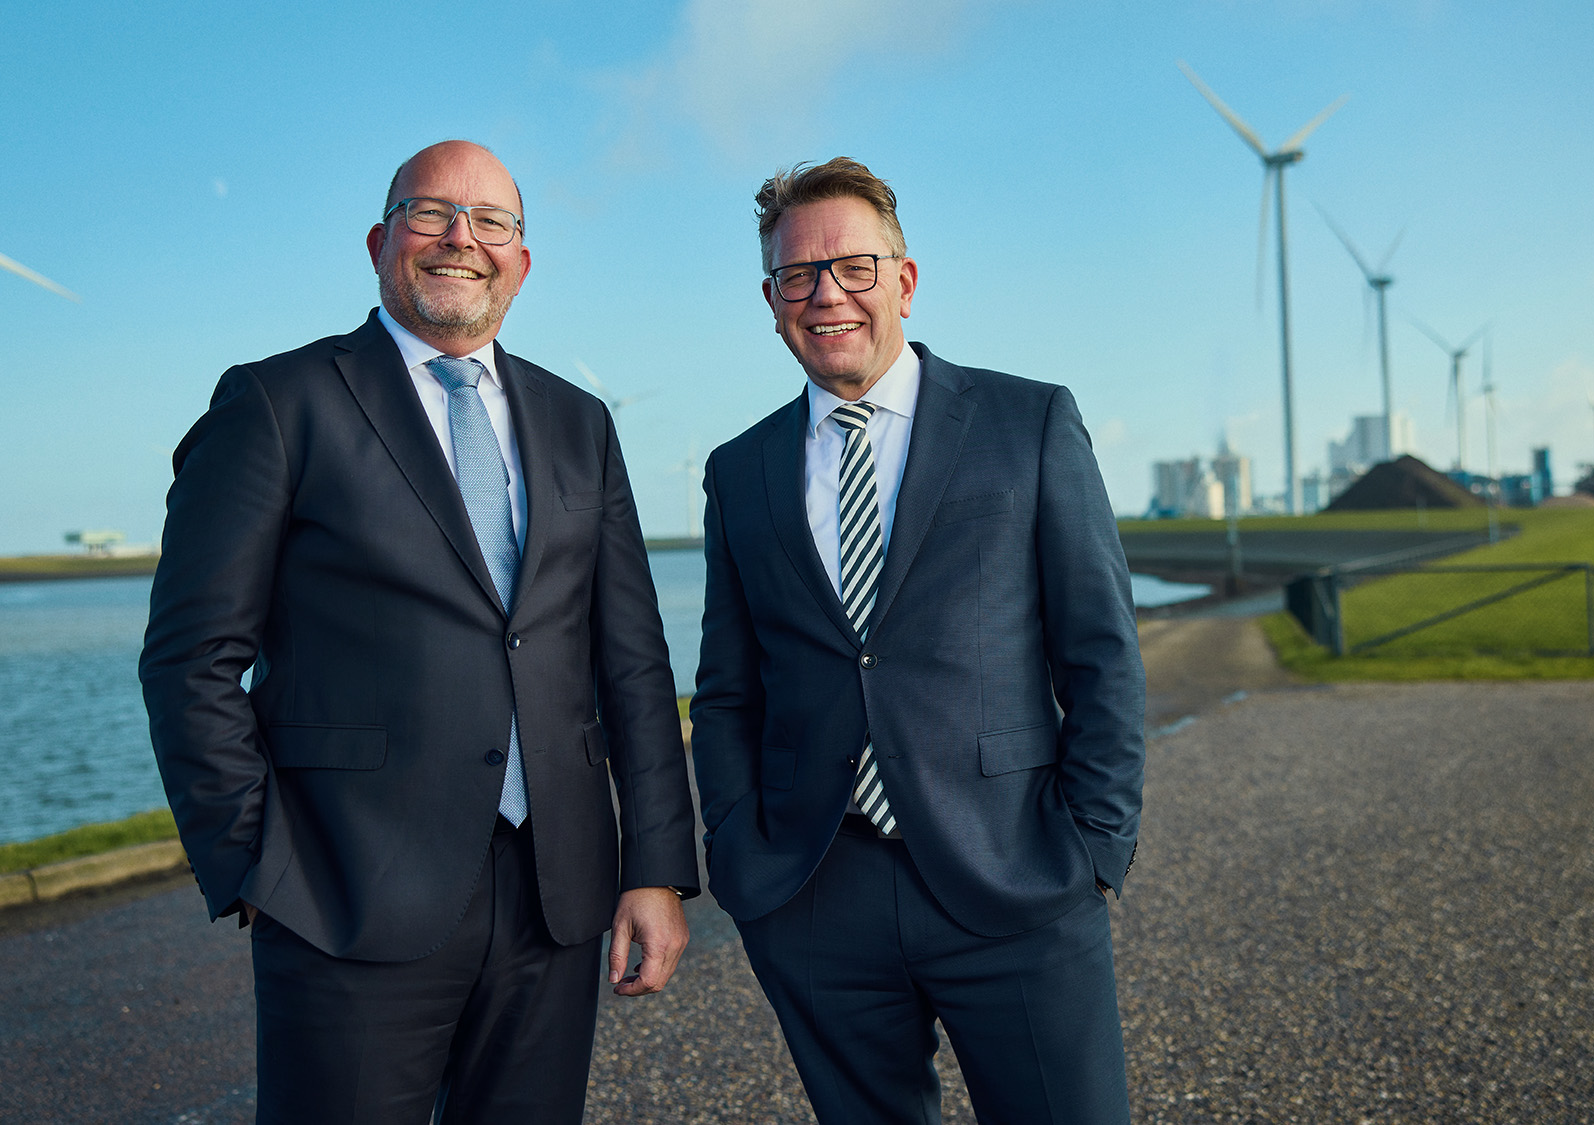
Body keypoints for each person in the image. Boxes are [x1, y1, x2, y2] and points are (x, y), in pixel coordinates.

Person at [140, 140, 698, 1125]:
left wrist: (653, 866)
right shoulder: (276, 404)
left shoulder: (580, 423)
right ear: (379, 241)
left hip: (553, 900)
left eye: (492, 222)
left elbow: (634, 665)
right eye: (431, 212)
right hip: (345, 897)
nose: (461, 239)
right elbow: (189, 661)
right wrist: (258, 865)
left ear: (521, 261)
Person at [690, 156, 1146, 1124]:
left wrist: (1092, 847)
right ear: (770, 301)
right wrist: (737, 852)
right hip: (814, 896)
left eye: (852, 268)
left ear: (901, 279)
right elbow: (728, 690)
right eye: (795, 277)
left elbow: (1100, 652)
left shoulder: (1027, 423)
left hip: (1015, 876)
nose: (825, 295)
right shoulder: (739, 472)